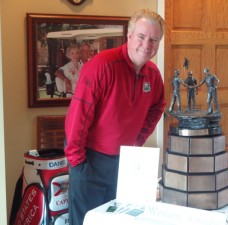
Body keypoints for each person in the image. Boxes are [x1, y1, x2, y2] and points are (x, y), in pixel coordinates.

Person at [64, 9, 166, 225]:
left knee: (120, 220)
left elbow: (157, 107)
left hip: (126, 163)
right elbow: (78, 115)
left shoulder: (154, 75)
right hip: (89, 161)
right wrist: (77, 162)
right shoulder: (102, 65)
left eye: (154, 39)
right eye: (141, 36)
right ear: (129, 36)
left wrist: (137, 140)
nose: (147, 45)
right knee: (85, 221)